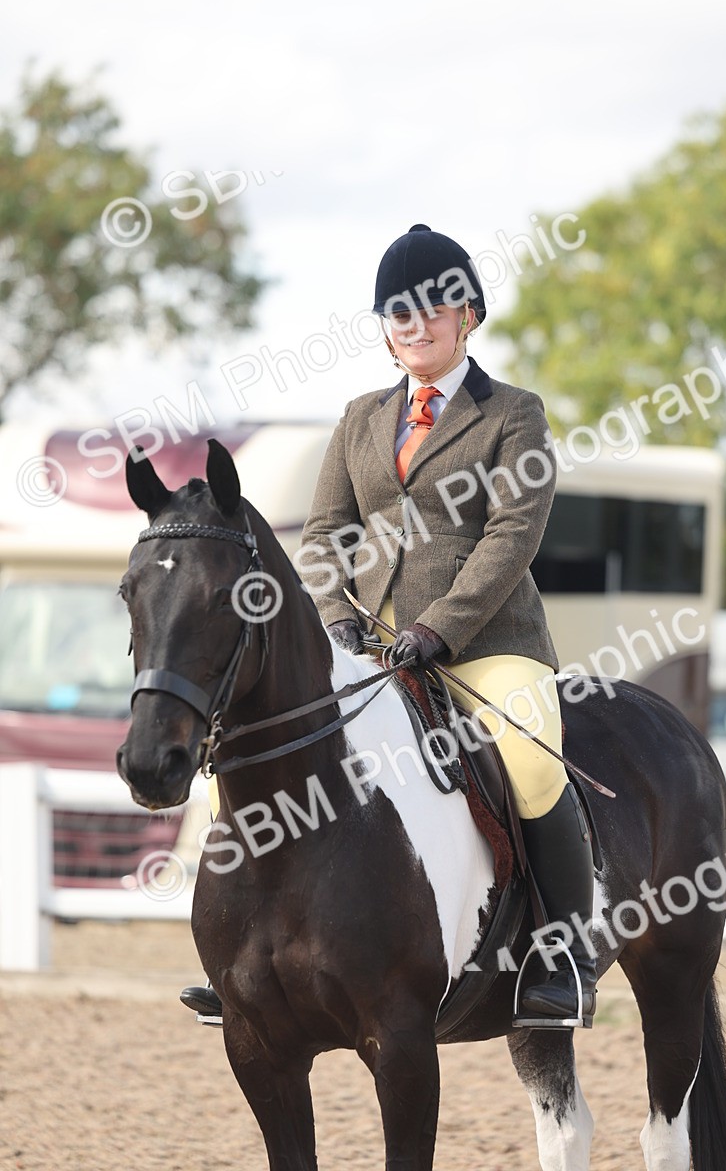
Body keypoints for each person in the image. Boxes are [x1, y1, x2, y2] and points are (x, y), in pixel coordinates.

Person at [181, 223, 596, 1024]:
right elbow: (325, 535)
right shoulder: (360, 417)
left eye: (431, 309)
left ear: (467, 314)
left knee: (530, 756)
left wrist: (440, 627)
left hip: (484, 645)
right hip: (366, 648)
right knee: (244, 759)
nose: (413, 326)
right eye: (396, 314)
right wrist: (335, 619)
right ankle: (235, 955)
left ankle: (562, 956)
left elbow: (511, 536)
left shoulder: (513, 413)